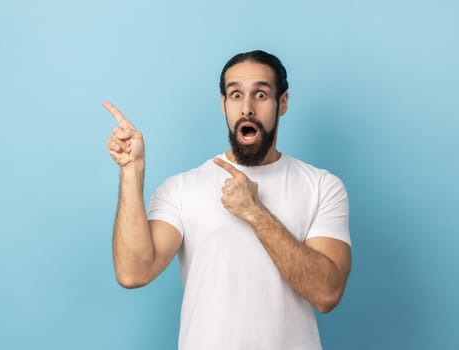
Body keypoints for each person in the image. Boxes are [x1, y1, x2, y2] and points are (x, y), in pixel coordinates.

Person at [105, 50, 352, 350]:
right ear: (223, 104)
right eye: (235, 95)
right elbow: (133, 272)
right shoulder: (183, 188)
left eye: (260, 94)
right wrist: (132, 171)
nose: (247, 108)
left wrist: (254, 212)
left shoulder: (322, 187)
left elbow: (327, 293)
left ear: (282, 103)